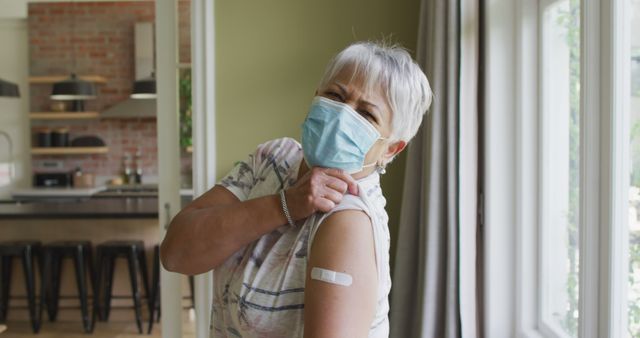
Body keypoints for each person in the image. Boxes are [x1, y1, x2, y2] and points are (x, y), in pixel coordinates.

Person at [161, 41, 433, 338]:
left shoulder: (349, 218)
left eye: (366, 115)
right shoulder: (273, 158)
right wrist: (284, 205)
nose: (342, 115)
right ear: (316, 96)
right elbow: (175, 253)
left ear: (391, 149)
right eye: (335, 95)